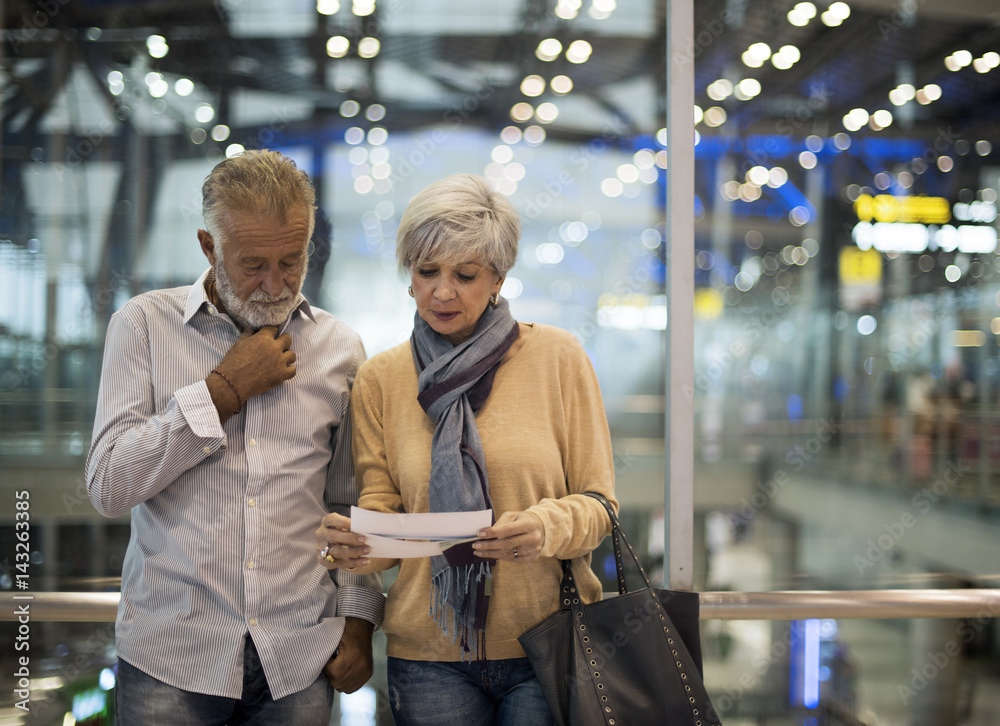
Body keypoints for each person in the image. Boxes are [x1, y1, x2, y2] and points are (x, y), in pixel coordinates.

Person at [86, 149, 384, 725]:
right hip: (170, 655)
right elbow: (107, 485)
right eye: (252, 264)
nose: (275, 283)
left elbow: (348, 503)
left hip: (297, 657)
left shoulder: (339, 349)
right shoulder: (143, 325)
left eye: (291, 260)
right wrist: (223, 390)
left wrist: (358, 620)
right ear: (208, 246)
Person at [315, 173, 617, 726]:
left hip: (545, 641)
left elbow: (600, 505)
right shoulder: (381, 378)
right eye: (427, 272)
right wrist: (360, 544)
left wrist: (544, 528)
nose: (442, 291)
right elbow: (388, 519)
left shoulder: (557, 358)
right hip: (428, 656)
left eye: (465, 274)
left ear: (499, 277)